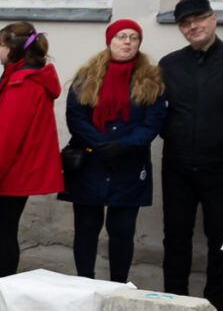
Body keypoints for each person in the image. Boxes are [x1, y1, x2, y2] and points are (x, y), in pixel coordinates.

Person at [158, 0, 223, 311]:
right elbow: (157, 111)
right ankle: (174, 297)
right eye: (186, 24)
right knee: (175, 235)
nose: (193, 27)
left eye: (199, 19)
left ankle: (216, 301)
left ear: (214, 19)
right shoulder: (169, 64)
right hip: (176, 164)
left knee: (220, 236)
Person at [0, 23, 64, 311]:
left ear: (14, 49)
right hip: (14, 172)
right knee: (3, 230)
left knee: (3, 232)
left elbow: (8, 138)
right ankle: (4, 290)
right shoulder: (19, 77)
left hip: (10, 174)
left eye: (1, 45)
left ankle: (3, 293)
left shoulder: (22, 83)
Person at [64, 20, 168, 283]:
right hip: (91, 162)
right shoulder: (86, 76)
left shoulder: (151, 79)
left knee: (122, 229)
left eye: (134, 37)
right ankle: (84, 281)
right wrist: (100, 144)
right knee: (86, 228)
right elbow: (76, 116)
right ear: (110, 41)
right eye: (121, 36)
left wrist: (123, 145)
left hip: (129, 164)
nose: (127, 42)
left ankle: (118, 284)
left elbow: (153, 121)